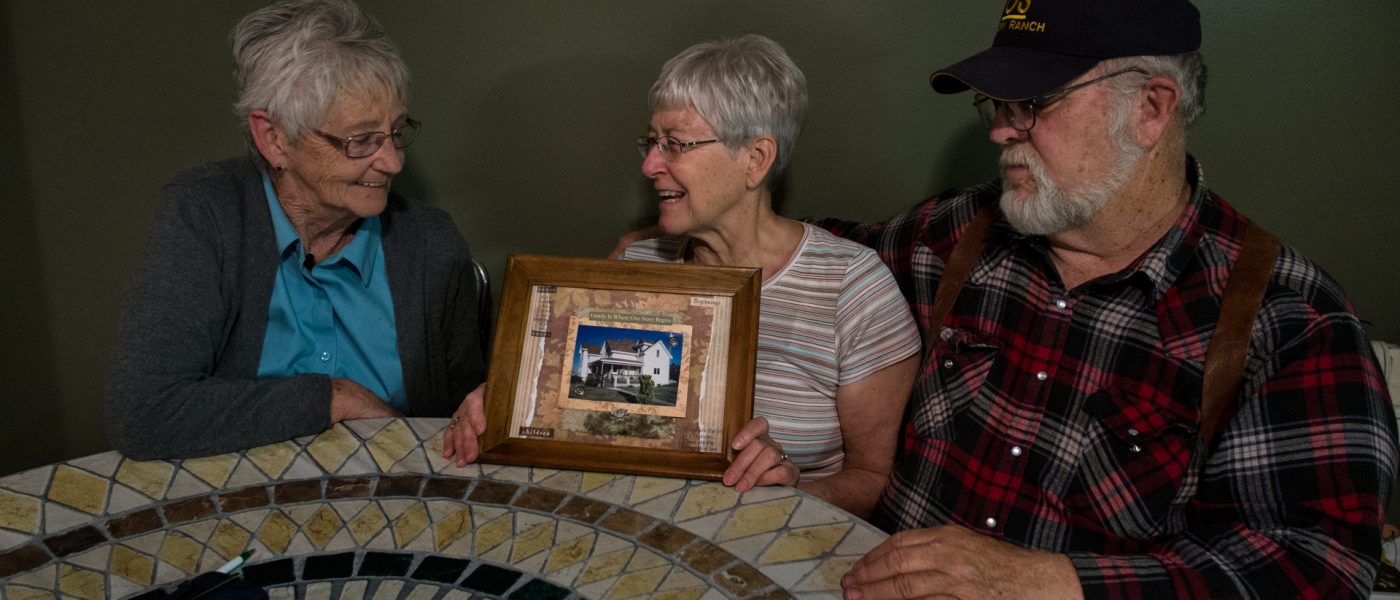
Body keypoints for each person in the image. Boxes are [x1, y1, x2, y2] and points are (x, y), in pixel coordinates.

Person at [821, 1, 1399, 598]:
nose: (1000, 129)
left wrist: (1045, 582)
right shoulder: (954, 235)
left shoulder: (1287, 321)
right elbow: (813, 257)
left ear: (1152, 108)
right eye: (998, 104)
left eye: (1035, 103)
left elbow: (1316, 568)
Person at [106, 0, 486, 460]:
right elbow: (147, 415)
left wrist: (487, 406)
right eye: (360, 140)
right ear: (275, 139)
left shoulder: (429, 241)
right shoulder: (207, 213)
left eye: (396, 131)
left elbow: (459, 418)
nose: (393, 161)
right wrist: (335, 397)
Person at [608, 35, 919, 517]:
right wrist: (509, 402)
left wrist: (787, 493)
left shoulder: (853, 291)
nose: (650, 165)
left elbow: (875, 479)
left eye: (675, 144)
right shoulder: (636, 267)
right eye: (652, 143)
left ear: (755, 159)